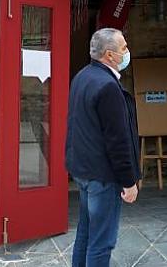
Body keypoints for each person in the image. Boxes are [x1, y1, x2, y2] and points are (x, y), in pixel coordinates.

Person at [66, 28, 141, 267]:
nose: (127, 52)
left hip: (84, 170)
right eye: (124, 48)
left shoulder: (82, 76)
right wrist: (129, 182)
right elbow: (117, 141)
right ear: (110, 55)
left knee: (86, 233)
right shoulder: (107, 86)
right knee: (102, 241)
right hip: (104, 176)